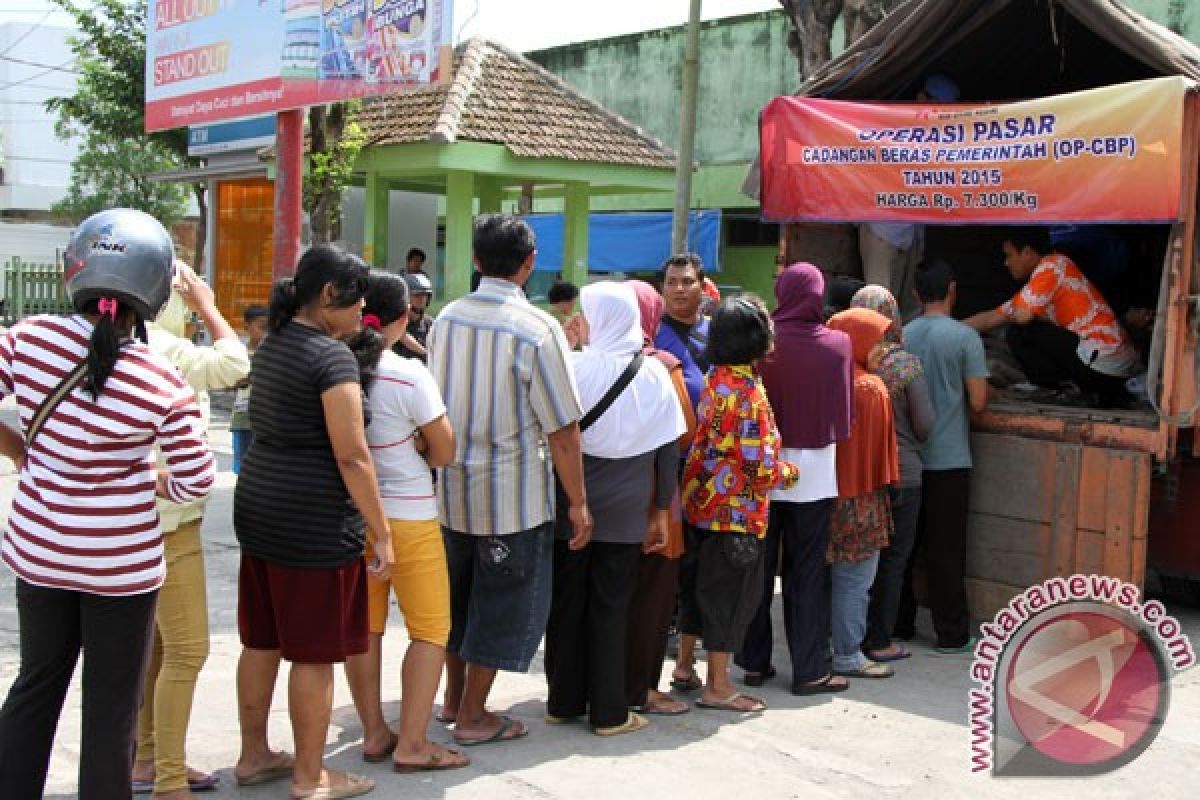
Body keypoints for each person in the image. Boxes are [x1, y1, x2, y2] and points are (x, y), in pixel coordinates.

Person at [0, 208, 215, 800]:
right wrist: (149, 479)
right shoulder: (160, 378)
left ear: (77, 267)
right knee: (111, 709)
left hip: (40, 555)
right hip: (120, 571)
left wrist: (18, 445)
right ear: (152, 288)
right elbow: (197, 479)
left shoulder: (28, 339)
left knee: (36, 686)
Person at [233, 244, 393, 800]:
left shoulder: (274, 341)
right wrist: (382, 531)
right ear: (328, 295)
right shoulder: (331, 358)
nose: (363, 306)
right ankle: (310, 777)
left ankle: (254, 755)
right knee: (315, 653)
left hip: (259, 507)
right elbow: (353, 455)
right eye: (356, 296)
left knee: (263, 639)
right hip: (312, 522)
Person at [428, 214, 592, 747]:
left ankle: (454, 699)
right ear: (529, 263)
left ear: (476, 260)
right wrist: (578, 504)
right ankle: (474, 714)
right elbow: (564, 429)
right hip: (512, 500)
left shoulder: (447, 317)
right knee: (500, 607)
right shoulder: (537, 329)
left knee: (457, 602)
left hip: (449, 492)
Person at [339, 272, 468, 772]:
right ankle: (414, 743)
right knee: (431, 629)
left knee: (365, 629)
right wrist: (415, 442)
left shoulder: (335, 367)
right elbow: (446, 450)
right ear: (401, 319)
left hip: (354, 517)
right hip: (410, 515)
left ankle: (375, 732)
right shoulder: (408, 374)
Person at [544, 281, 685, 736]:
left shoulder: (572, 367)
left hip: (571, 502)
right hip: (627, 510)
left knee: (567, 603)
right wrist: (661, 511)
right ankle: (609, 712)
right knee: (611, 607)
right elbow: (668, 449)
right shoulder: (653, 373)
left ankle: (563, 700)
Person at [134, 263, 251, 798]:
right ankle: (169, 780)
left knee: (154, 650)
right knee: (186, 651)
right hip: (169, 525)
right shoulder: (163, 348)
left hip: (130, 524)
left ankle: (147, 758)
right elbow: (234, 362)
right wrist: (207, 304)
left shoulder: (109, 340)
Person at [736, 263, 854, 695]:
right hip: (815, 473)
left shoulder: (761, 344)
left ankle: (753, 662)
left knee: (758, 570)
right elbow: (843, 420)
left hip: (762, 470)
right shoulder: (838, 344)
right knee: (806, 574)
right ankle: (809, 671)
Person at [680, 295, 798, 714]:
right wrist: (789, 473)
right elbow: (758, 467)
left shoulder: (717, 377)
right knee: (729, 599)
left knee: (699, 591)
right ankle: (718, 686)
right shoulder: (747, 393)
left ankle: (683, 667)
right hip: (737, 512)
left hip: (702, 502)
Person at [897, 260, 988, 654]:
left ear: (915, 294)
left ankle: (896, 624)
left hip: (910, 460)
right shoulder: (965, 337)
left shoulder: (902, 334)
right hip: (950, 460)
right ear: (952, 290)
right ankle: (951, 634)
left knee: (902, 549)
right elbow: (979, 401)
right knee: (945, 552)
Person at [963, 226, 1140, 408]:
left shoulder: (1052, 266)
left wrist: (1025, 315)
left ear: (1027, 252)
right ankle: (1093, 391)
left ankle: (1060, 391)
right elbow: (992, 316)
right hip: (1114, 367)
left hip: (1105, 363)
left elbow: (1023, 317)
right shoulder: (1042, 282)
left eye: (1009, 255)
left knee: (1020, 333)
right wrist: (948, 327)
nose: (1006, 263)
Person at [850, 286, 935, 665]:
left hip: (858, 474)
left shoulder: (848, 360)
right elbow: (925, 425)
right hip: (904, 475)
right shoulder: (904, 365)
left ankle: (846, 633)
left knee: (854, 558)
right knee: (893, 561)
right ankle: (879, 639)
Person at [626, 280, 696, 717]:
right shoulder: (662, 366)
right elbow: (684, 430)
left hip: (601, 498)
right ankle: (643, 688)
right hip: (656, 498)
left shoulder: (585, 361)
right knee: (652, 601)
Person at [825, 309, 900, 680]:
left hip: (822, 495)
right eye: (878, 340)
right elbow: (880, 455)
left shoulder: (825, 378)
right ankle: (848, 655)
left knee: (822, 576)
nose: (884, 349)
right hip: (862, 496)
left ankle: (823, 649)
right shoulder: (870, 388)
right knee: (855, 580)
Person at [858, 74, 960, 318]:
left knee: (910, 305)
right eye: (935, 107)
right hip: (882, 228)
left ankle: (904, 355)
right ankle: (877, 355)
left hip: (912, 232)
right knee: (879, 303)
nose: (939, 115)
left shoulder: (941, 138)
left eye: (945, 111)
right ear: (920, 98)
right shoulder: (892, 129)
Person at [654, 253, 710, 409]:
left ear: (703, 287)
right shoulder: (651, 335)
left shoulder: (719, 331)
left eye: (687, 282)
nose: (679, 289)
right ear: (662, 288)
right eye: (671, 282)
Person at [230, 304, 268, 474]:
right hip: (243, 416)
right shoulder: (239, 353)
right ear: (247, 327)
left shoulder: (271, 352)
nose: (266, 331)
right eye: (261, 326)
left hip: (265, 417)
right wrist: (244, 380)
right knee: (243, 463)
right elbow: (228, 382)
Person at [393, 272, 434, 362]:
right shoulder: (395, 322)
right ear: (406, 297)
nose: (422, 299)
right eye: (417, 295)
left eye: (425, 295)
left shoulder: (431, 324)